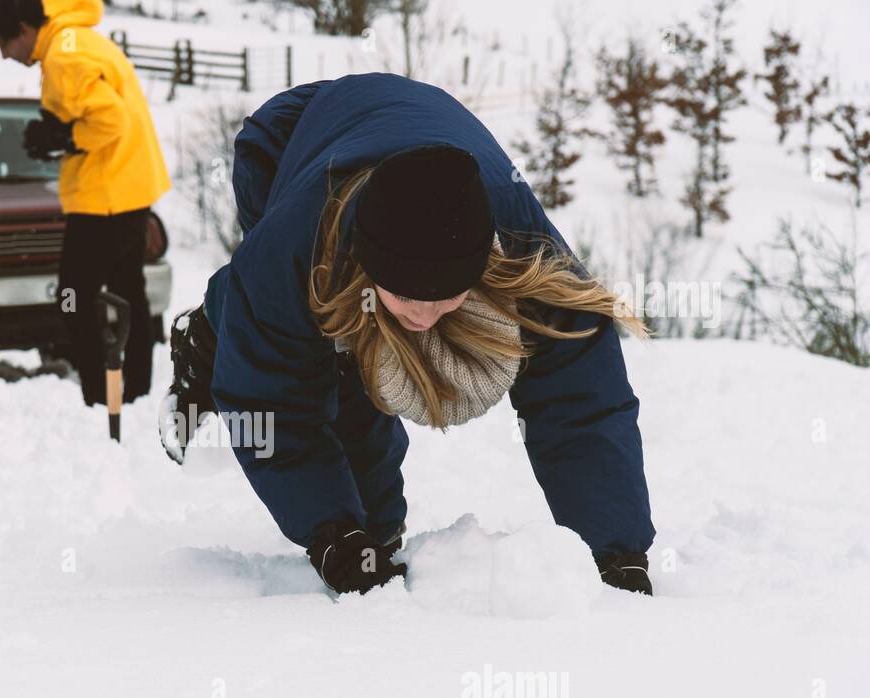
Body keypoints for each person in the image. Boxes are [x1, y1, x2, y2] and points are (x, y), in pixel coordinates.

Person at [159, 73, 656, 597]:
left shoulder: (521, 244)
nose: (424, 316)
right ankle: (210, 329)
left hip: (422, 136)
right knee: (306, 336)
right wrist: (333, 532)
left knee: (371, 504)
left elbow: (581, 403)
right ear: (370, 271)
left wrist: (614, 551)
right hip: (290, 139)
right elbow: (276, 400)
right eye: (407, 298)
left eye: (446, 297)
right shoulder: (295, 248)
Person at [0, 0, 170, 405]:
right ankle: (132, 389)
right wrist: (59, 134)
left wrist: (63, 139)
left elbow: (110, 120)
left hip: (104, 197)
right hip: (126, 188)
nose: (3, 54)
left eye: (2, 43)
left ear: (23, 29)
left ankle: (101, 393)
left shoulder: (64, 54)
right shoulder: (78, 41)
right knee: (126, 289)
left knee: (74, 296)